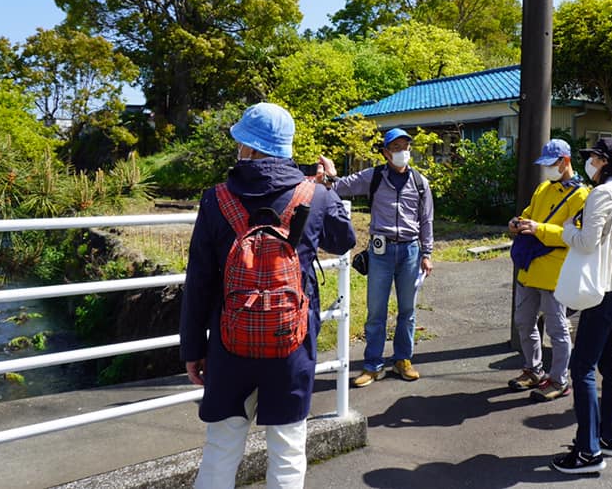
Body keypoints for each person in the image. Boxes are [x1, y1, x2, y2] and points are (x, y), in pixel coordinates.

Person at [180, 103, 356, 489]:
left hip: (230, 344)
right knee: (288, 450)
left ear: (248, 146)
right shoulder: (317, 196)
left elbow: (199, 282)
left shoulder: (216, 199)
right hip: (290, 343)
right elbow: (344, 240)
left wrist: (193, 350)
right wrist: (328, 185)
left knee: (222, 448)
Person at [318, 128, 434, 387]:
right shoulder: (374, 176)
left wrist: (427, 253)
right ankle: (372, 365)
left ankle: (403, 359)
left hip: (410, 252)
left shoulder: (420, 182)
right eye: (396, 148)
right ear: (385, 152)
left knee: (407, 310)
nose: (403, 152)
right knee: (376, 311)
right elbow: (340, 186)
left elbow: (426, 220)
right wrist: (329, 174)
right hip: (380, 252)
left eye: (406, 147)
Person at [551, 137, 612, 474]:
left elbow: (587, 242)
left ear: (602, 161)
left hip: (605, 294)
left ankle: (587, 453)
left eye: (592, 158)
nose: (589, 163)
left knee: (582, 368)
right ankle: (609, 439)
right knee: (611, 367)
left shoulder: (602, 193)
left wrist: (567, 230)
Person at [508, 139, 589, 402]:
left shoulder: (581, 195)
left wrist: (538, 229)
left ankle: (559, 379)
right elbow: (529, 213)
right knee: (524, 321)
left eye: (551, 165)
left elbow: (575, 234)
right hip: (530, 267)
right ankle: (533, 370)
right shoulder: (543, 187)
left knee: (557, 328)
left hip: (555, 271)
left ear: (565, 161)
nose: (547, 170)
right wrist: (517, 222)